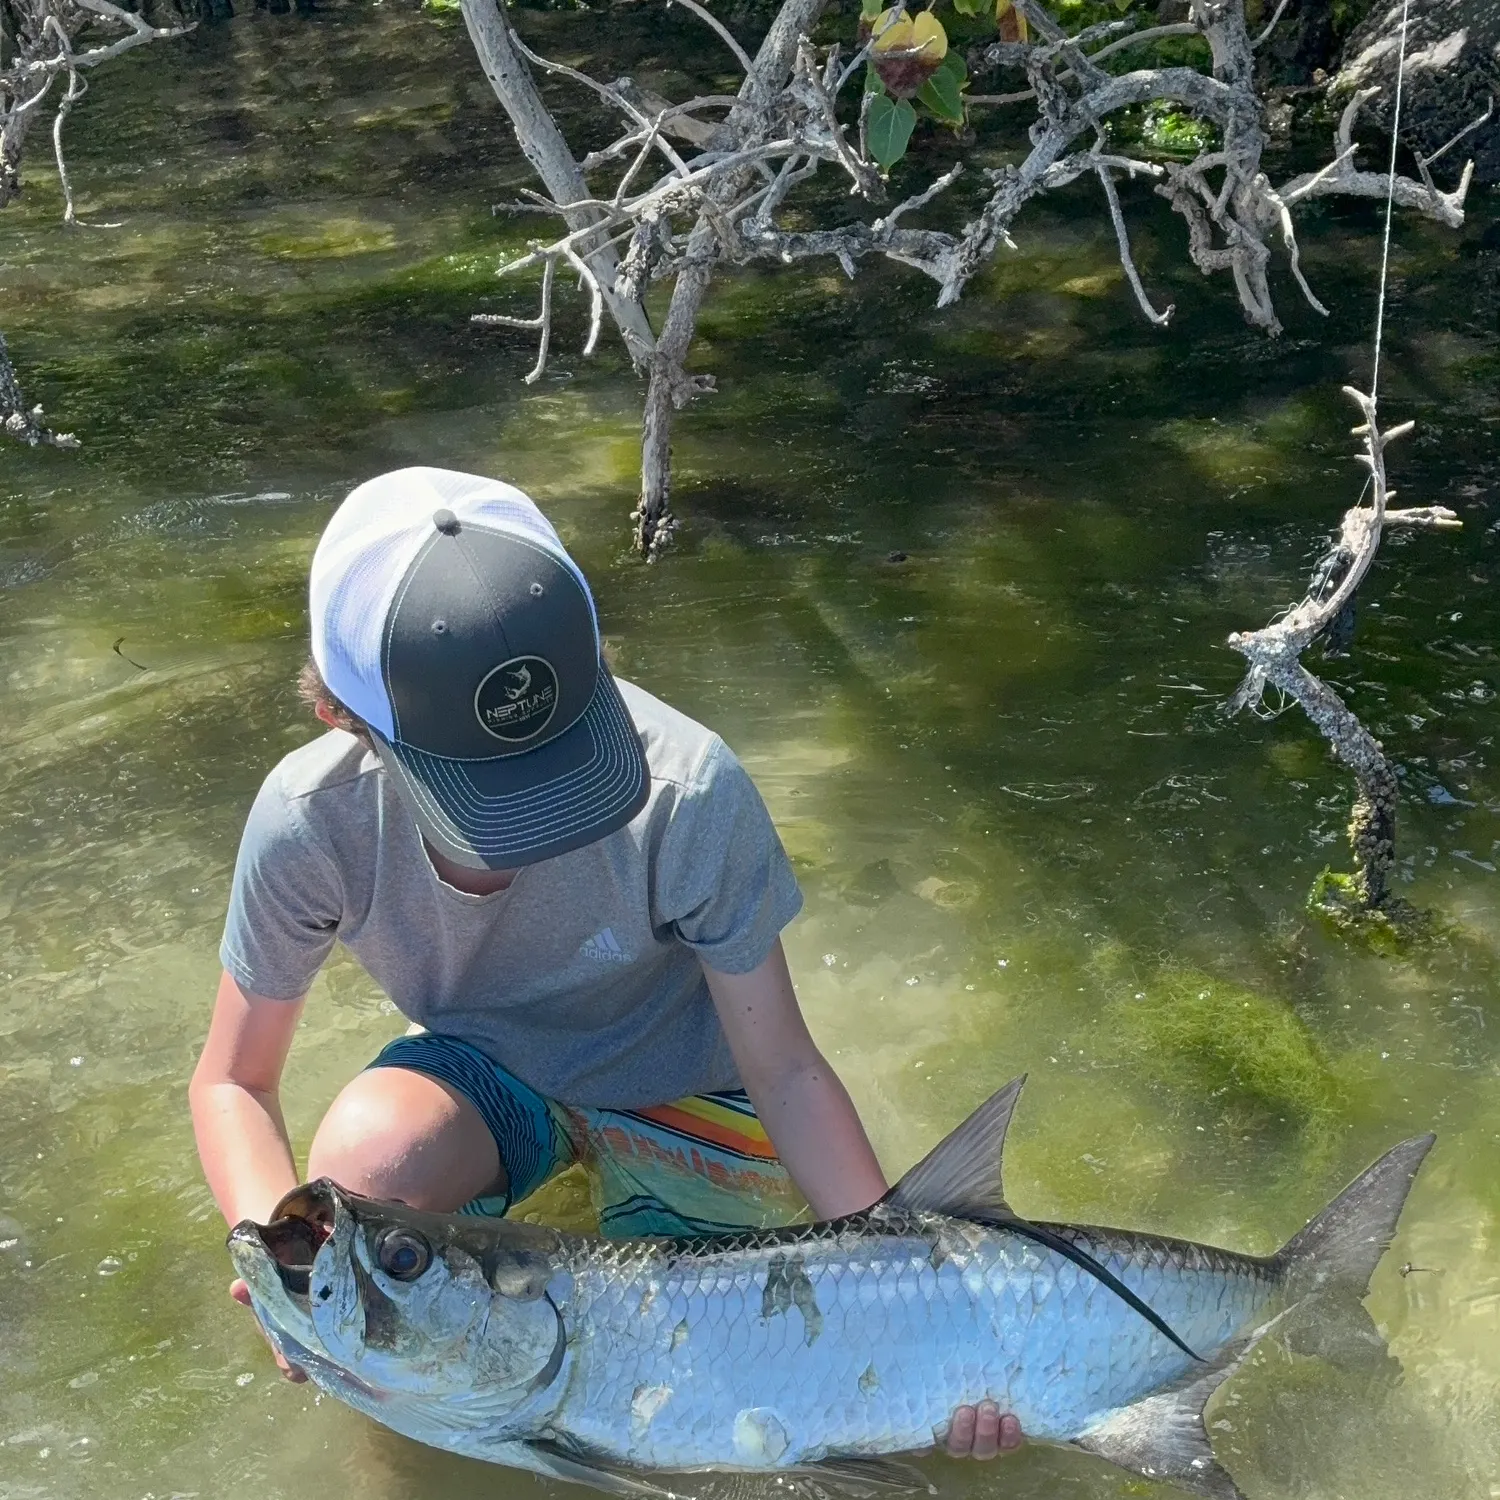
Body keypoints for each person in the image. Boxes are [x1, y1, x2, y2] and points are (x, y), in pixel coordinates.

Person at [189, 467, 1022, 1461]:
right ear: (345, 721)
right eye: (483, 793)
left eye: (557, 762)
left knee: (718, 1405)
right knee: (357, 1201)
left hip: (693, 1084)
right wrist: (278, 1255)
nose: (529, 825)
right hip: (490, 1067)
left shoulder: (689, 786)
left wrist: (905, 1288)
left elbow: (787, 1068)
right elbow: (234, 1079)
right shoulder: (308, 823)